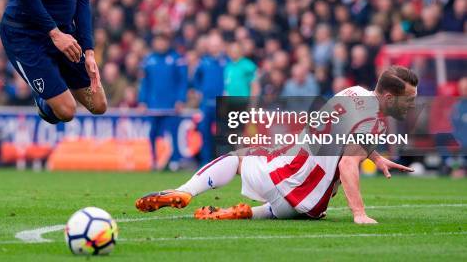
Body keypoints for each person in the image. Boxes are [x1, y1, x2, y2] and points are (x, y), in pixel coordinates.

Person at [135, 66, 417, 224]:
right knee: (268, 188)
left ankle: (186, 192)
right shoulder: (375, 122)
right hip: (311, 205)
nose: (412, 104)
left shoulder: (352, 92)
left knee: (238, 159)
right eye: (409, 99)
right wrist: (359, 214)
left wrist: (375, 157)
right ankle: (244, 212)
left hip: (287, 176)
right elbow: (346, 162)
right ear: (389, 98)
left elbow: (347, 133)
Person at [138, 33, 188, 169]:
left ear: (168, 43)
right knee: (152, 133)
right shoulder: (148, 60)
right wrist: (142, 100)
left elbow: (182, 81)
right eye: (158, 41)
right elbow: (144, 82)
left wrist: (180, 99)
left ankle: (175, 161)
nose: (160, 44)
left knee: (173, 133)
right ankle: (154, 160)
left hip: (171, 104)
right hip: (153, 104)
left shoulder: (177, 59)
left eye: (163, 41)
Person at [192, 33, 227, 165]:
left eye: (217, 45)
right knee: (204, 132)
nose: (215, 48)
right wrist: (198, 90)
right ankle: (205, 162)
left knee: (223, 134)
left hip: (223, 104)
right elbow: (196, 78)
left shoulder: (227, 62)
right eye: (212, 45)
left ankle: (224, 163)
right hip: (206, 104)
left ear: (222, 46)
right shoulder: (203, 62)